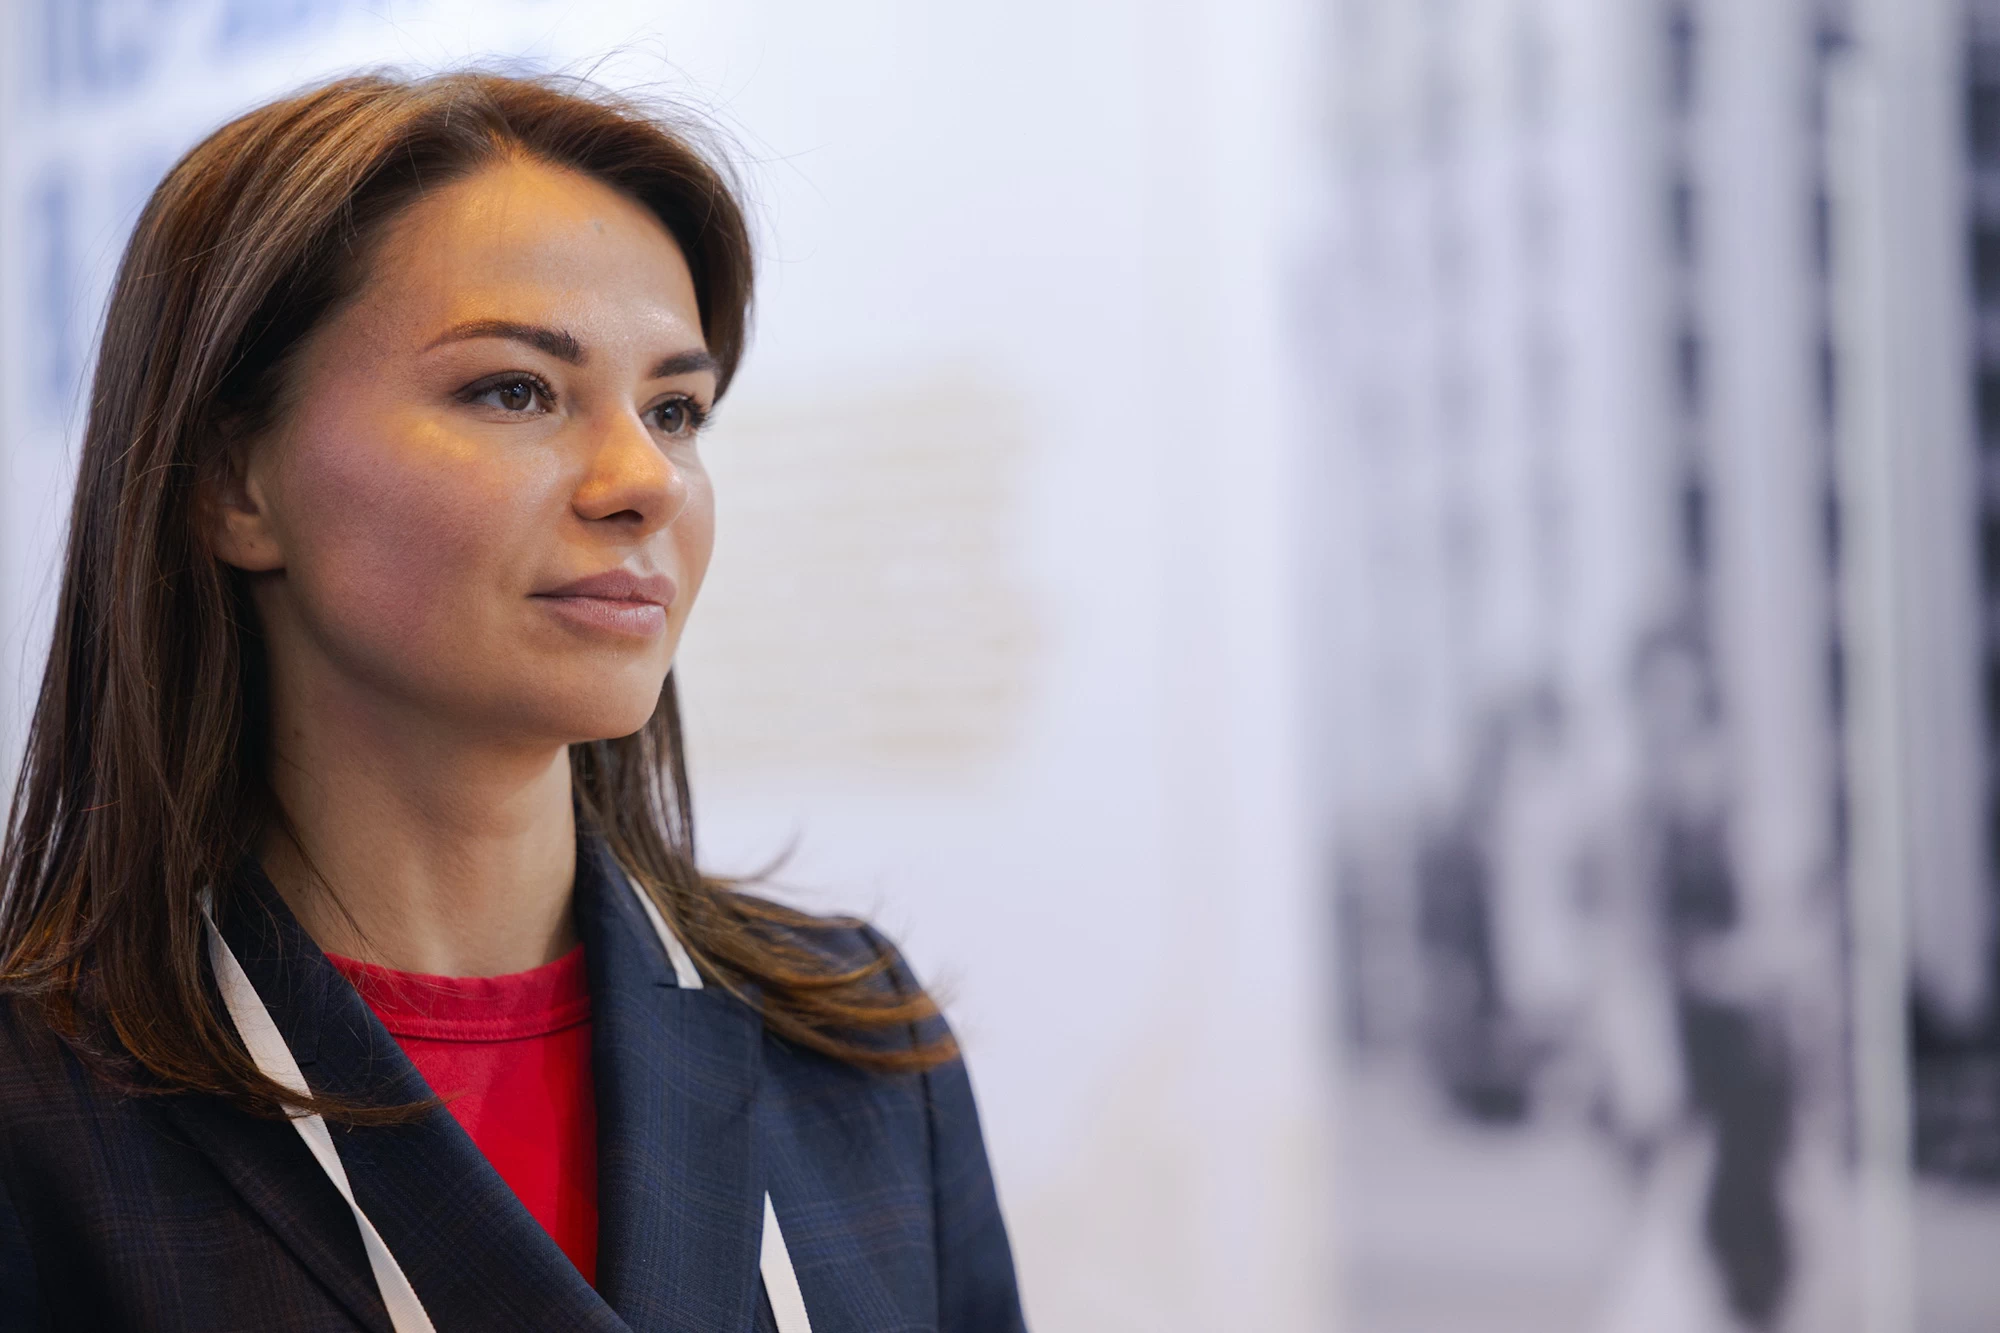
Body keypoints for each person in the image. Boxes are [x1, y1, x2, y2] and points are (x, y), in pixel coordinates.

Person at [0, 70, 1025, 1333]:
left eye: (674, 409)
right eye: (514, 390)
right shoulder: (38, 1108)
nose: (645, 479)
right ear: (234, 483)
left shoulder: (857, 1048)